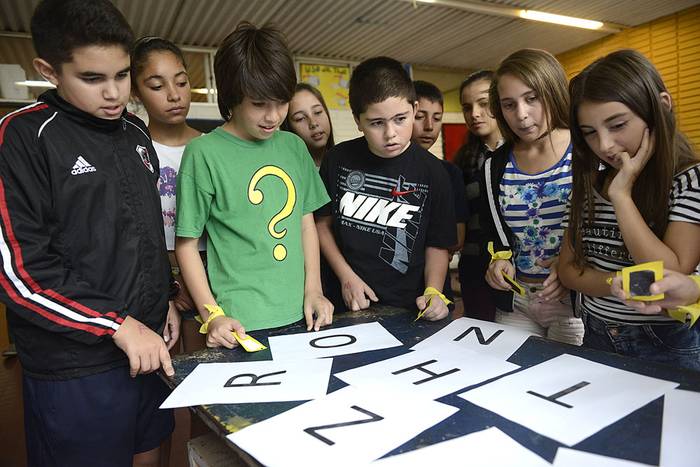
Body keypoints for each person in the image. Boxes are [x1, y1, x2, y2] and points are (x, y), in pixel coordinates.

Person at [1, 1, 177, 465]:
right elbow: (20, 273)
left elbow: (141, 232)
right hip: (77, 366)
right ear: (48, 70)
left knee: (149, 455)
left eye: (121, 75)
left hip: (148, 345)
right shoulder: (21, 137)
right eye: (93, 79)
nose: (114, 92)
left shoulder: (137, 134)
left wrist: (166, 297)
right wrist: (116, 324)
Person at [175, 22, 334, 350]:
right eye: (259, 104)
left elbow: (305, 224)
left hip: (303, 315)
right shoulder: (203, 153)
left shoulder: (293, 146)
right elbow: (187, 245)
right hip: (239, 324)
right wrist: (212, 315)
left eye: (281, 102)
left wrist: (314, 290)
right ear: (232, 96)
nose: (273, 116)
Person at [559, 49, 700, 370]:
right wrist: (618, 281)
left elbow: (669, 274)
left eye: (617, 124)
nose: (605, 145)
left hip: (664, 341)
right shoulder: (588, 185)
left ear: (661, 109)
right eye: (590, 132)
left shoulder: (688, 179)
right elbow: (569, 270)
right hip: (595, 330)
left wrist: (622, 196)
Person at [315, 56, 456, 320]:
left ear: (414, 109)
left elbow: (438, 245)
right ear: (358, 120)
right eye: (377, 123)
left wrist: (434, 292)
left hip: (409, 307)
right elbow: (322, 225)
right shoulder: (338, 160)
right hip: (349, 304)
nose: (391, 133)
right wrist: (346, 277)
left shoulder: (435, 172)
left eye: (400, 119)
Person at [481, 49, 584, 345]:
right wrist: (497, 261)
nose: (521, 115)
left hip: (573, 304)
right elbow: (496, 234)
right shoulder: (495, 164)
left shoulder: (585, 152)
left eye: (532, 98)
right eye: (509, 105)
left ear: (552, 92)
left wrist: (573, 270)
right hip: (517, 301)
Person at [130, 36, 207, 353]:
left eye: (181, 82)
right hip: (155, 278)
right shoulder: (131, 151)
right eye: (157, 86)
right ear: (135, 92)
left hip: (212, 274)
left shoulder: (211, 147)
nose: (174, 95)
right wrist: (170, 284)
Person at [412, 79, 469, 304]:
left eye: (437, 118)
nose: (429, 126)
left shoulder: (448, 173)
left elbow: (456, 238)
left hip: (434, 286)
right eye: (420, 117)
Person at [453, 70, 504, 322]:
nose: (474, 113)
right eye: (467, 107)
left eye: (484, 104)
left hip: (519, 271)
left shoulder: (522, 153)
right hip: (475, 269)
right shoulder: (462, 160)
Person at [282, 83, 335, 167]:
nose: (313, 123)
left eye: (318, 112)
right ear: (288, 127)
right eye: (300, 118)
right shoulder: (286, 170)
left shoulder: (344, 162)